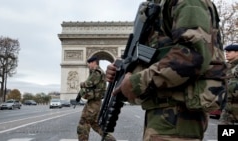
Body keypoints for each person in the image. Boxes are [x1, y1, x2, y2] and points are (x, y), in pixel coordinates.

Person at [105, 0, 226, 141]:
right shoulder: (160, 5)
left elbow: (193, 55)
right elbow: (155, 56)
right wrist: (123, 71)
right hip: (165, 110)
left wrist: (136, 82)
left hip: (178, 114)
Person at [76, 56, 116, 141]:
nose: (88, 65)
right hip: (94, 102)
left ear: (94, 62)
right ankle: (111, 140)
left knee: (83, 124)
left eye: (89, 63)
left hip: (94, 103)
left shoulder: (96, 72)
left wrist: (81, 84)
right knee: (95, 124)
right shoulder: (97, 72)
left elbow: (88, 83)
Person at [219, 44, 238, 125]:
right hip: (228, 108)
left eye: (229, 51)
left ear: (237, 52)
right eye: (226, 51)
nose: (226, 53)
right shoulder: (227, 67)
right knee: (226, 134)